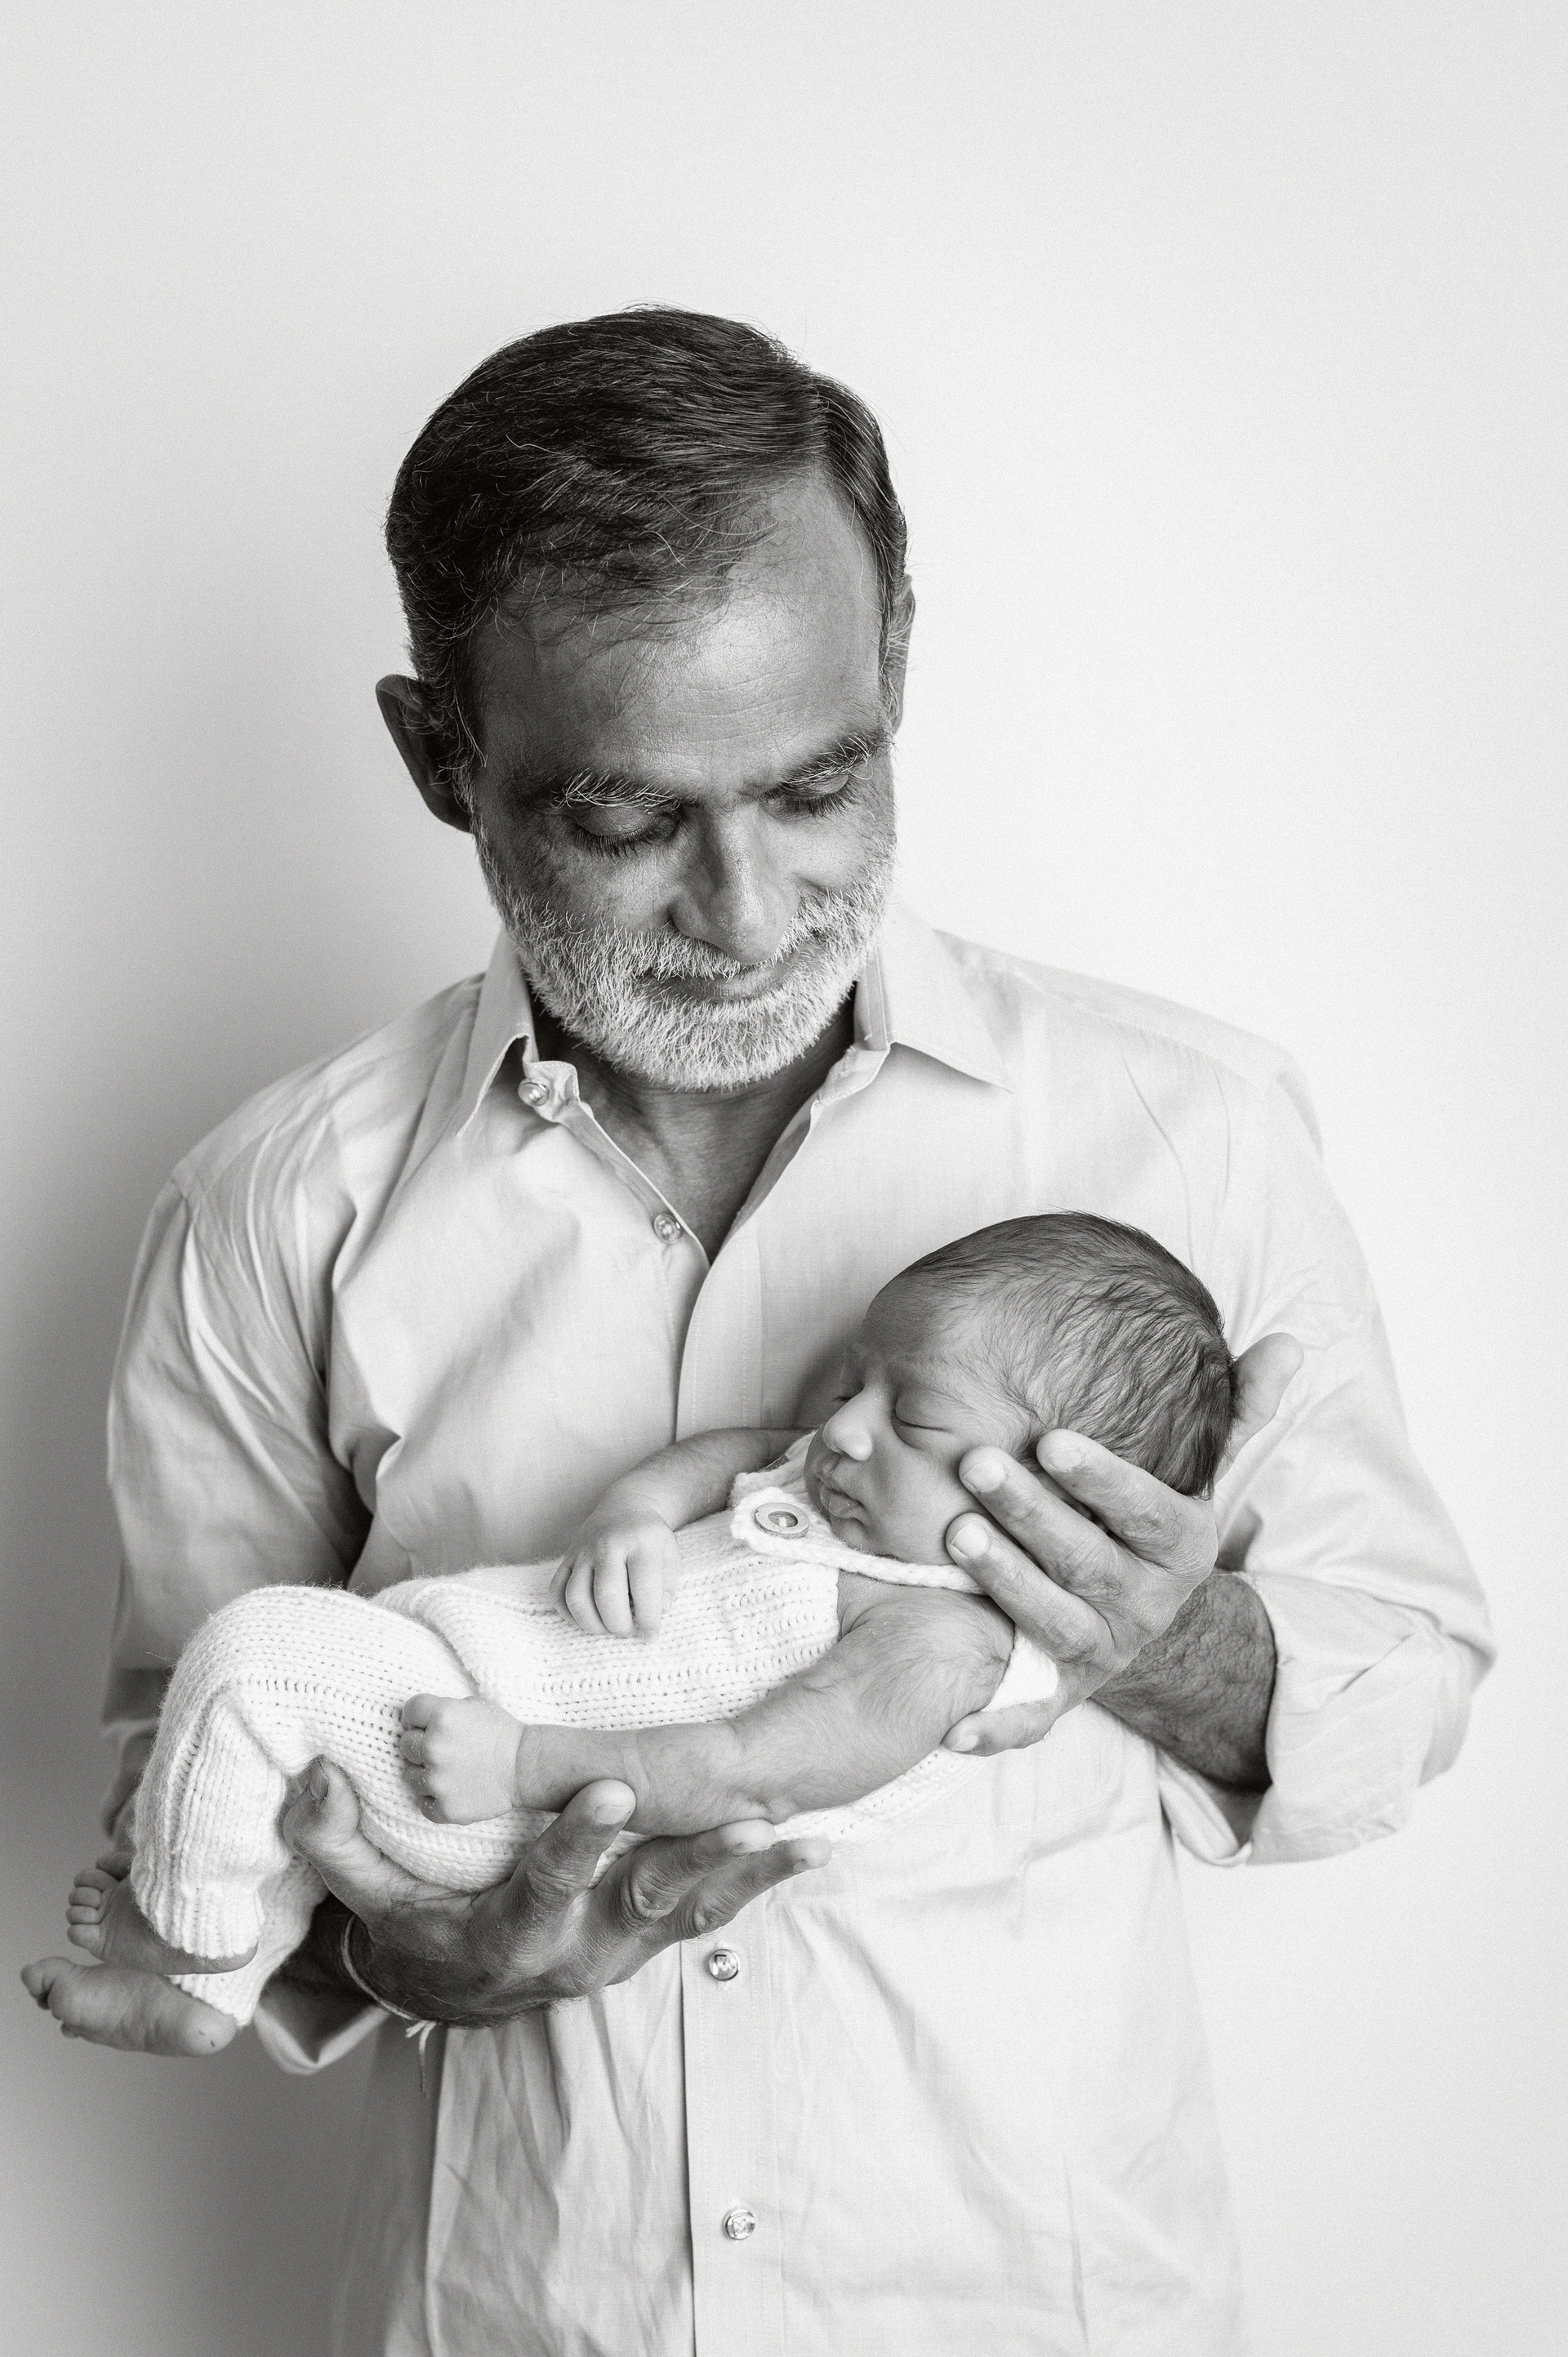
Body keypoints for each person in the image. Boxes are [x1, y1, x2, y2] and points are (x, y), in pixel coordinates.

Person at [33, 308, 1491, 2355]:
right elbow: (207, 1781)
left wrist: (1169, 1644)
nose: (745, 908)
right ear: (441, 759)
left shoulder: (1190, 1132)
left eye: (819, 785)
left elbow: (1400, 1689)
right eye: (627, 819)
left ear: (897, 669)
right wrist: (395, 1958)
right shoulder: (274, 1207)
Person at [29, 1212, 1226, 2050]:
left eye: (910, 1416)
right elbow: (739, 1453)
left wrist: (520, 1761)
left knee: (251, 1663)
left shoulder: (938, 1647)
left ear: (1075, 1506)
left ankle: (183, 1933)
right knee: (294, 1771)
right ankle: (219, 1992)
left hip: (510, 1791)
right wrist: (636, 1513)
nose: (844, 1428)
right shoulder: (852, 1497)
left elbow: (743, 1767)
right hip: (470, 1702)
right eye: (852, 1383)